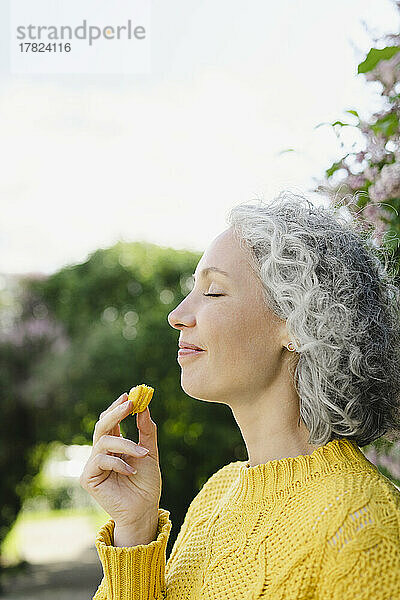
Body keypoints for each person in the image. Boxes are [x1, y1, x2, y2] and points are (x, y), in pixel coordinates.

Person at [80, 190, 400, 599]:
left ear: (298, 323)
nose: (176, 316)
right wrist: (135, 528)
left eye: (213, 291)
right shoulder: (217, 495)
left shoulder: (367, 526)